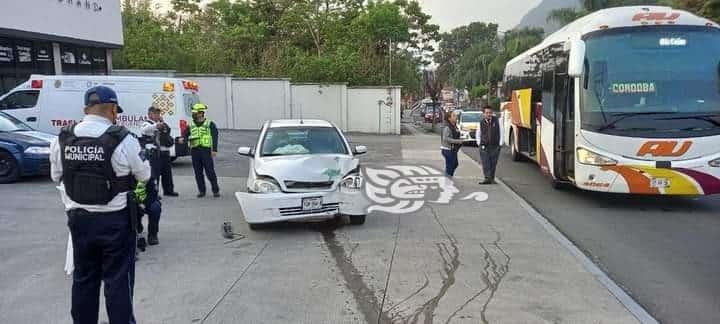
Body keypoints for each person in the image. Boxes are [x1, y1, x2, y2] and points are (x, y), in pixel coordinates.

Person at [50, 86, 150, 324]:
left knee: (84, 279)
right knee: (118, 281)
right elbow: (144, 175)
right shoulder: (123, 138)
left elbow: (56, 176)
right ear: (113, 109)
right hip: (115, 221)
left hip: (79, 221)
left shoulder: (62, 138)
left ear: (86, 108)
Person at [183, 103, 220, 197]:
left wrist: (214, 149)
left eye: (195, 113)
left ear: (201, 113)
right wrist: (182, 138)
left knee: (210, 171)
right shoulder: (191, 124)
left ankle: (215, 190)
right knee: (198, 172)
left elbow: (215, 136)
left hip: (205, 150)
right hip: (195, 150)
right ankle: (201, 191)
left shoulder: (210, 124)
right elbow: (185, 134)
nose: (193, 114)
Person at [140, 106, 178, 197]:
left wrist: (162, 123)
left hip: (165, 151)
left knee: (167, 173)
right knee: (155, 173)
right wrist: (156, 125)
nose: (157, 115)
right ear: (149, 114)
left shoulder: (161, 123)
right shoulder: (147, 124)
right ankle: (154, 193)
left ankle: (168, 190)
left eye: (158, 113)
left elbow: (167, 132)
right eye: (155, 113)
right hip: (154, 153)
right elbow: (145, 130)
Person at [475, 105, 504, 184]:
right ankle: (487, 178)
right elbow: (478, 134)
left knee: (493, 163)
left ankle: (492, 178)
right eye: (487, 113)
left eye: (490, 113)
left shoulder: (497, 121)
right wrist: (479, 143)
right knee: (485, 162)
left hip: (495, 146)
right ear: (483, 114)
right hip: (484, 146)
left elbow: (502, 132)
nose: (488, 114)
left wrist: (500, 144)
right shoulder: (480, 123)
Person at [441, 110, 464, 177]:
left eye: (455, 115)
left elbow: (456, 134)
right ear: (449, 118)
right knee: (451, 165)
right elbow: (446, 138)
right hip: (447, 149)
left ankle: (448, 177)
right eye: (453, 116)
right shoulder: (447, 127)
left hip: (453, 149)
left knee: (454, 164)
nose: (456, 117)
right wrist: (458, 141)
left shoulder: (454, 126)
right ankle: (448, 179)